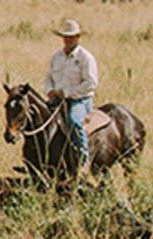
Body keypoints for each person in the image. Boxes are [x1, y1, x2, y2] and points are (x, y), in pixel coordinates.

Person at [43, 19, 98, 172]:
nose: (68, 39)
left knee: (74, 121)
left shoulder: (85, 57)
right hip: (57, 99)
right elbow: (48, 78)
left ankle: (83, 161)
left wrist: (67, 93)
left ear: (77, 37)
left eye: (72, 36)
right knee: (39, 120)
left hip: (80, 100)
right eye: (66, 36)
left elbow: (90, 83)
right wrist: (49, 90)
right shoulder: (56, 57)